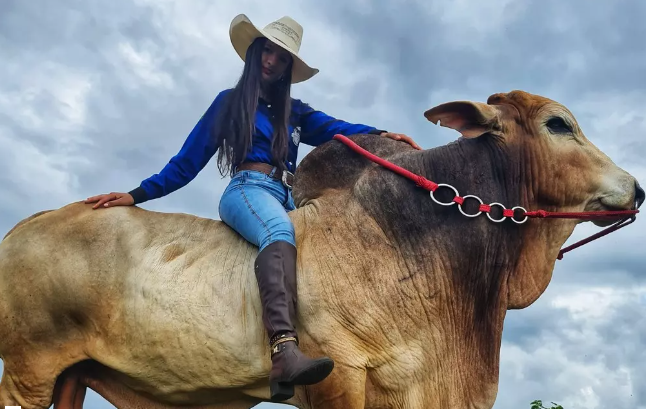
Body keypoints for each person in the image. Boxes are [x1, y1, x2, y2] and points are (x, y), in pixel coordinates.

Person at [85, 14, 420, 402]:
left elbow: (338, 129)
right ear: (256, 51)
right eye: (268, 50)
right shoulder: (229, 103)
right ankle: (283, 350)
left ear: (288, 68)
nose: (272, 60)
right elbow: (186, 162)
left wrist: (381, 134)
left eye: (281, 58)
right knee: (280, 232)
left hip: (290, 195)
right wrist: (136, 194)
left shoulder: (296, 113)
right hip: (248, 189)